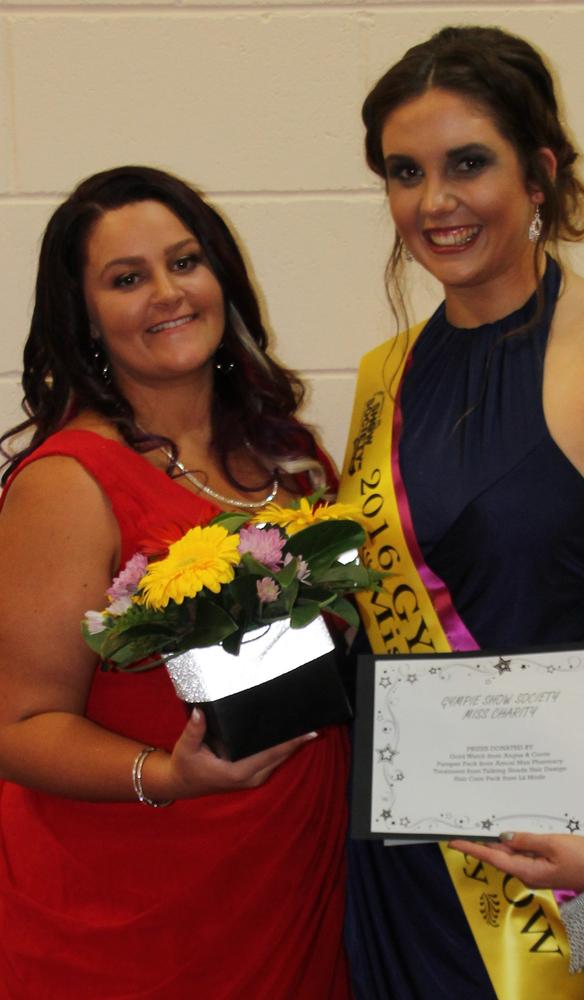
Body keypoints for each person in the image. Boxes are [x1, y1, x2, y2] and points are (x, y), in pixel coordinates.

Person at [338, 25, 584, 1000]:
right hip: (404, 850)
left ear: (539, 172)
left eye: (465, 164)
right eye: (403, 171)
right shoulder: (380, 377)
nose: (432, 201)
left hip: (568, 854)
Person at [0, 166, 351, 998]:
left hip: (292, 885)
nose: (167, 292)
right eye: (127, 279)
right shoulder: (69, 481)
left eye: (185, 262)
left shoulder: (289, 460)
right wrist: (168, 775)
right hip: (139, 915)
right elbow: (17, 722)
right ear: (85, 318)